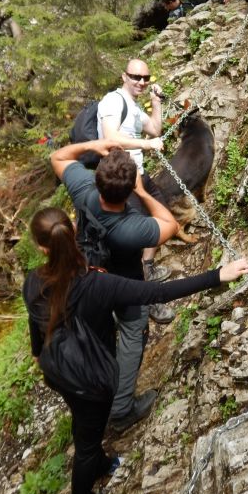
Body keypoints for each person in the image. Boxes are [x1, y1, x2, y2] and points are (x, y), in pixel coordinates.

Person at [23, 204, 248, 494]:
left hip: (59, 371)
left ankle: (100, 462)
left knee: (83, 422)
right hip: (92, 377)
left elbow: (36, 325)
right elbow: (158, 293)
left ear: (41, 247)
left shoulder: (33, 282)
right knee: (87, 442)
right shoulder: (98, 284)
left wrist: (38, 354)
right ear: (74, 232)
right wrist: (217, 275)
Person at [51, 139, 178, 433]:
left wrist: (98, 144)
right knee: (133, 332)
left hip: (88, 278)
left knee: (100, 333)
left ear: (97, 178)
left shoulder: (84, 190)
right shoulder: (131, 229)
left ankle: (98, 390)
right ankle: (120, 410)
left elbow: (58, 157)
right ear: (130, 187)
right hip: (124, 286)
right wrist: (142, 192)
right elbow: (170, 224)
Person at [97, 59, 174, 323]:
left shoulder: (133, 106)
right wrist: (146, 144)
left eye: (145, 78)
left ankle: (147, 267)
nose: (141, 82)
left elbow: (154, 129)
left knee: (161, 217)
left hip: (139, 175)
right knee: (136, 240)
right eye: (136, 77)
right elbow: (111, 138)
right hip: (122, 180)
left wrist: (156, 103)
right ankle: (148, 299)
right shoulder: (112, 101)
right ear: (124, 76)